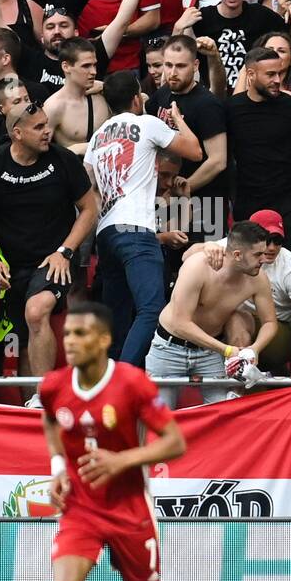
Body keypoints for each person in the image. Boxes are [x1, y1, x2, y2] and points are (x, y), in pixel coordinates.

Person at [38, 302, 185, 581]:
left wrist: (121, 461)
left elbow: (175, 441)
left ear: (103, 340)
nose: (71, 341)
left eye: (81, 334)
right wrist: (60, 466)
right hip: (81, 508)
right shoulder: (53, 386)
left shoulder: (132, 383)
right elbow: (48, 419)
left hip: (130, 511)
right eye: (67, 334)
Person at [0, 102, 97, 396]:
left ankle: (46, 398)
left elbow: (89, 210)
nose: (47, 132)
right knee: (24, 340)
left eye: (47, 124)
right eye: (38, 127)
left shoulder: (62, 160)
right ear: (17, 133)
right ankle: (34, 409)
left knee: (37, 311)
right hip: (9, 264)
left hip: (52, 260)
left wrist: (65, 251)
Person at [83, 72, 201, 368]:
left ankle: (106, 379)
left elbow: (90, 182)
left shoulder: (98, 136)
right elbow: (195, 151)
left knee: (118, 314)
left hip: (106, 230)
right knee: (152, 309)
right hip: (136, 229)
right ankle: (122, 378)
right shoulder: (146, 123)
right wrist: (176, 117)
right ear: (137, 98)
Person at [184, 209, 291, 384]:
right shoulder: (234, 246)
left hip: (281, 331)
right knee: (232, 315)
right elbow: (186, 255)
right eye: (267, 240)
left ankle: (238, 386)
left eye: (278, 241)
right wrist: (205, 246)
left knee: (237, 317)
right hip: (232, 328)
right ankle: (242, 380)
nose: (272, 247)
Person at [146, 220, 277, 405]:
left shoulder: (258, 279)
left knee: (226, 414)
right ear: (238, 255)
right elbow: (180, 323)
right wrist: (228, 350)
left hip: (210, 352)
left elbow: (270, 322)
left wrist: (253, 349)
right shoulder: (198, 266)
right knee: (157, 420)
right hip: (169, 348)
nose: (264, 259)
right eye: (258, 255)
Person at [224, 45, 291, 251]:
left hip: (290, 199)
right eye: (270, 74)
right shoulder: (231, 109)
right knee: (249, 264)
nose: (278, 80)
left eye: (280, 73)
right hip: (248, 201)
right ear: (251, 75)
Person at [145, 35, 229, 254]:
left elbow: (218, 161)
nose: (173, 72)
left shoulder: (207, 104)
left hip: (207, 202)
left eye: (181, 66)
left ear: (195, 65)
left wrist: (181, 188)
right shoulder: (162, 94)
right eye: (168, 65)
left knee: (206, 262)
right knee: (168, 260)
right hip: (167, 200)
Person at [180, 0, 287, 86]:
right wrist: (179, 28)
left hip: (252, 99)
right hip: (213, 98)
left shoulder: (263, 16)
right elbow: (178, 61)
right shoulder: (200, 19)